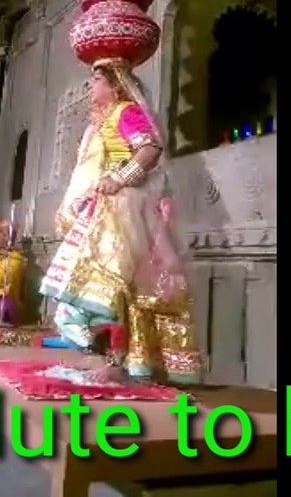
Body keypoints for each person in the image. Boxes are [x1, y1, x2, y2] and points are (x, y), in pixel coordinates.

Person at [39, 59, 203, 385]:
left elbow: (150, 147)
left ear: (115, 86)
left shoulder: (125, 110)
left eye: (98, 79)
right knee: (99, 287)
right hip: (103, 207)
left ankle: (125, 363)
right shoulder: (99, 123)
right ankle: (114, 359)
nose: (91, 86)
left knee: (117, 284)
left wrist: (119, 178)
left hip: (124, 207)